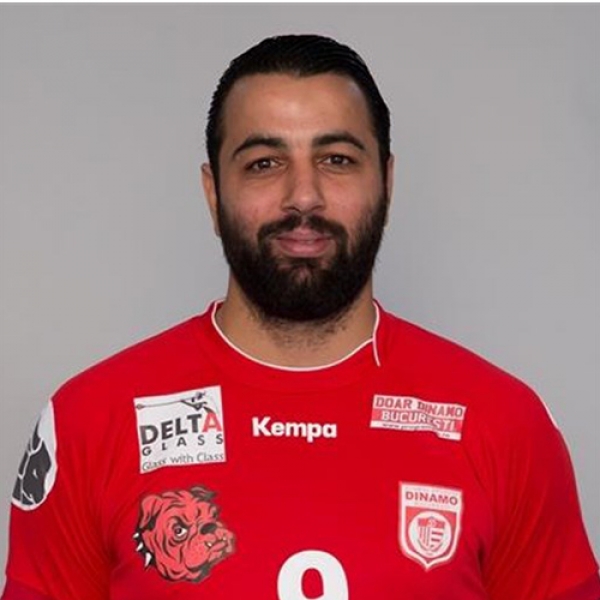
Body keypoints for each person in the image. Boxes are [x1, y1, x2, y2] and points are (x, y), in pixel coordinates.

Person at [2, 34, 598, 600]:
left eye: (337, 159)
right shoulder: (89, 423)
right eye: (264, 163)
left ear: (387, 183)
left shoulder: (504, 424)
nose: (304, 196)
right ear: (213, 193)